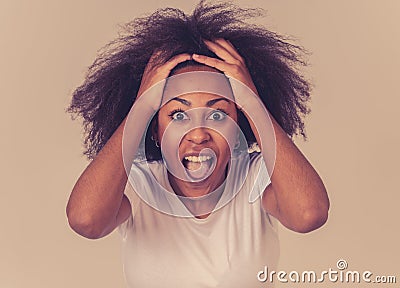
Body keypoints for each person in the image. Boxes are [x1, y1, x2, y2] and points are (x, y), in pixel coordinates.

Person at [66, 1, 329, 287]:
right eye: (178, 115)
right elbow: (85, 221)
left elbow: (309, 214)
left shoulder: (257, 180)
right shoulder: (137, 184)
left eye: (218, 114)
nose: (198, 134)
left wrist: (251, 101)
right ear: (155, 129)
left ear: (239, 125)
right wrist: (142, 106)